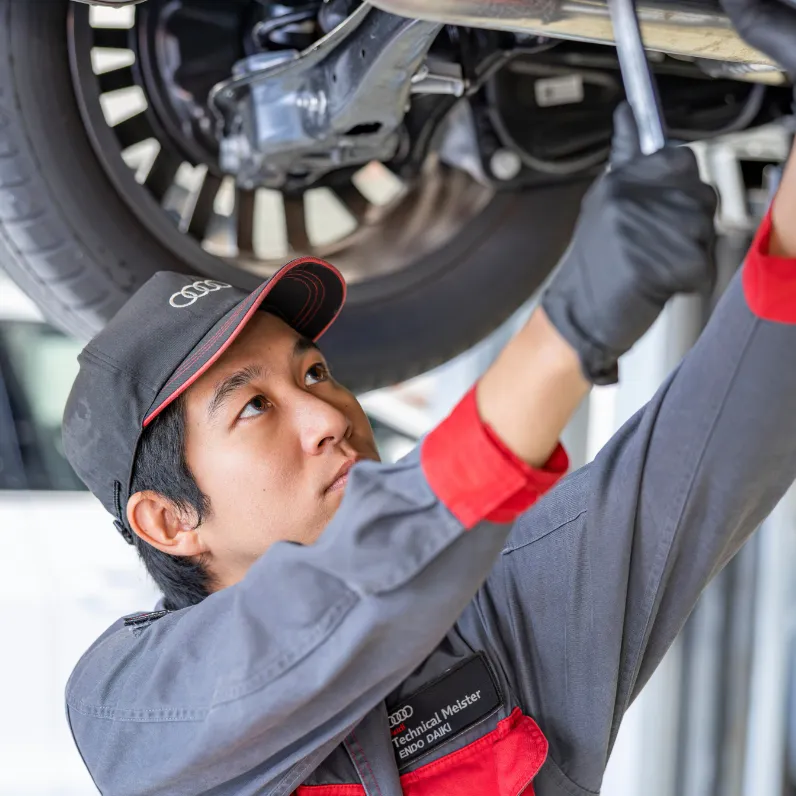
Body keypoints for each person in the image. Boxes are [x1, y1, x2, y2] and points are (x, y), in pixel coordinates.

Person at [60, 2, 796, 792]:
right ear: (169, 521)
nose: (329, 416)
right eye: (255, 408)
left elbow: (723, 432)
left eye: (315, 373)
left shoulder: (490, 612)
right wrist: (568, 332)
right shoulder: (134, 711)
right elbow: (322, 607)